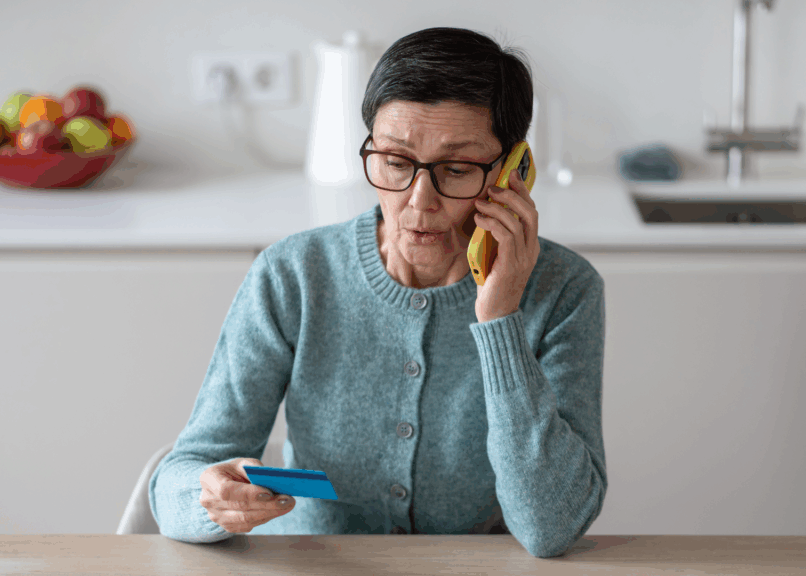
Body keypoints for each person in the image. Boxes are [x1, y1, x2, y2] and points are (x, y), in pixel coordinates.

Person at [149, 26, 607, 559]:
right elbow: (175, 482)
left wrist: (500, 317)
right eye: (395, 161)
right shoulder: (294, 274)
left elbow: (551, 526)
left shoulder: (566, 290)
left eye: (456, 169)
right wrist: (211, 497)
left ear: (510, 172)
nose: (418, 202)